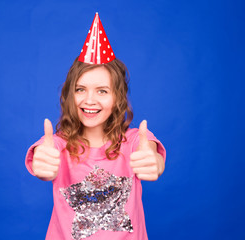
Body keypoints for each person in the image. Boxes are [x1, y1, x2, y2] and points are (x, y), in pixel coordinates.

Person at [25, 12, 166, 240]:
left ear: (117, 98)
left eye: (102, 91)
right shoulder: (58, 144)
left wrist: (153, 161)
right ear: (70, 94)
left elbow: (151, 155)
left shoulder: (133, 141)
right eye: (81, 89)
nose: (89, 100)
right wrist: (43, 161)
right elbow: (43, 155)